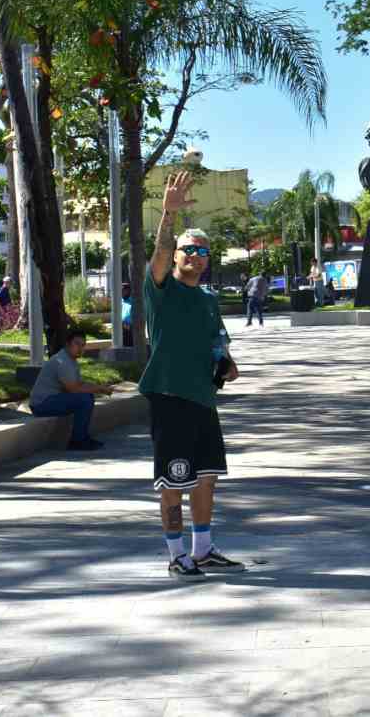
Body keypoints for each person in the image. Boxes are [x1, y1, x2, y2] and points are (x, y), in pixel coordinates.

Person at [142, 171, 243, 581]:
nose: (195, 256)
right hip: (170, 397)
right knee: (173, 479)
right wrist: (168, 216)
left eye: (202, 251)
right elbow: (160, 257)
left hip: (203, 398)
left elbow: (219, 343)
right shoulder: (161, 289)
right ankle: (176, 555)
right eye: (189, 250)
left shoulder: (207, 299)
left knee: (206, 477)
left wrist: (227, 363)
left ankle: (203, 550)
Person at [29, 328, 116, 451]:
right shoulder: (62, 361)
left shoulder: (70, 360)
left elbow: (79, 384)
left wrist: (100, 388)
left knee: (86, 398)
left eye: (83, 345)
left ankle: (82, 438)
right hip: (42, 404)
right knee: (84, 399)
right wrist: (99, 389)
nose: (80, 348)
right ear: (67, 344)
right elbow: (74, 389)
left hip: (50, 401)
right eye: (77, 344)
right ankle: (78, 441)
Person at [120, 281, 134, 348]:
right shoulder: (120, 300)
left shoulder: (133, 301)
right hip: (121, 326)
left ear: (128, 291)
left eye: (123, 290)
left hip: (130, 327)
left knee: (129, 346)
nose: (121, 292)